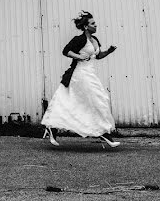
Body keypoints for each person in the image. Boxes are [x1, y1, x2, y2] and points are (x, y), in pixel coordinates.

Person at [41, 11, 120, 148]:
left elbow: (98, 56)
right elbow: (66, 51)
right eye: (92, 23)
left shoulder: (94, 40)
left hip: (90, 73)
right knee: (97, 99)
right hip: (79, 73)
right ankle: (103, 133)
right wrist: (79, 57)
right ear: (85, 27)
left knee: (85, 101)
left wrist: (109, 51)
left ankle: (100, 131)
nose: (96, 25)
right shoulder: (80, 39)